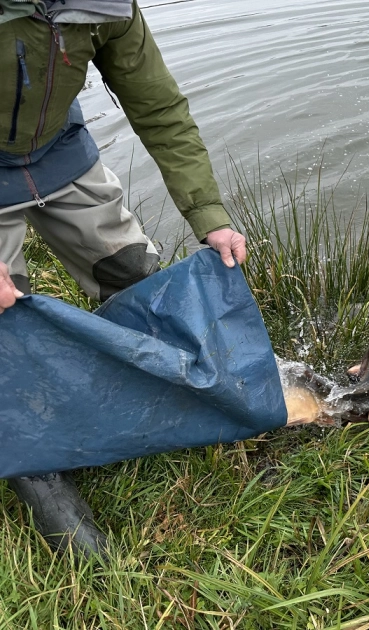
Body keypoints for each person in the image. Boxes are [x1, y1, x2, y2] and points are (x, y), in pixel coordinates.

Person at [0, 0, 247, 557]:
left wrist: (208, 213)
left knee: (135, 273)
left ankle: (164, 392)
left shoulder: (107, 6)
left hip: (59, 152)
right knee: (6, 321)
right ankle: (38, 469)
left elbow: (158, 106)